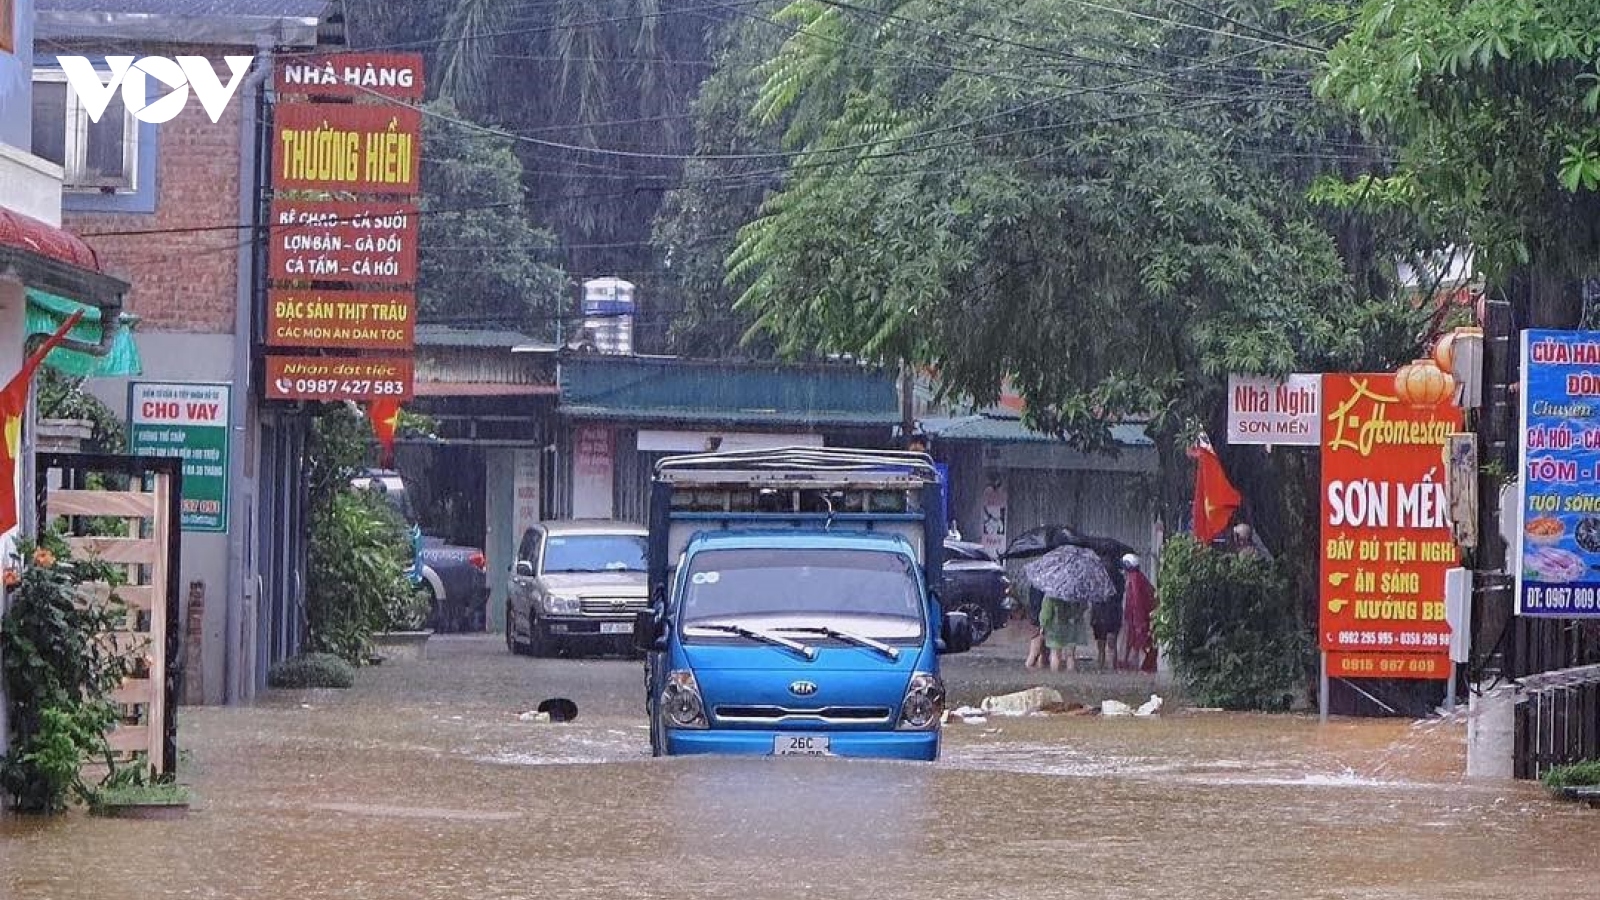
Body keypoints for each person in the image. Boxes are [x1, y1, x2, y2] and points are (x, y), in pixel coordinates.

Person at [1118, 553, 1157, 672]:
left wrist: (1139, 624)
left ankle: (1136, 671)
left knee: (1137, 649)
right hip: (1137, 620)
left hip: (1137, 621)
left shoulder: (1134, 580)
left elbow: (1137, 602)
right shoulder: (1139, 578)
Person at [1037, 591, 1089, 672]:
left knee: (1055, 654)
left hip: (1055, 627)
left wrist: (1042, 625)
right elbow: (1084, 607)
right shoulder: (1077, 591)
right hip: (1072, 626)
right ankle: (1070, 679)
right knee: (1070, 655)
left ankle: (1055, 679)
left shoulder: (1052, 592)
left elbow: (1046, 612)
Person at [1091, 557, 1125, 671]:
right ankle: (1112, 670)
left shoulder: (1096, 579)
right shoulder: (1120, 578)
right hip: (1113, 615)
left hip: (1099, 615)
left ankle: (1100, 670)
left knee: (1101, 648)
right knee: (1112, 645)